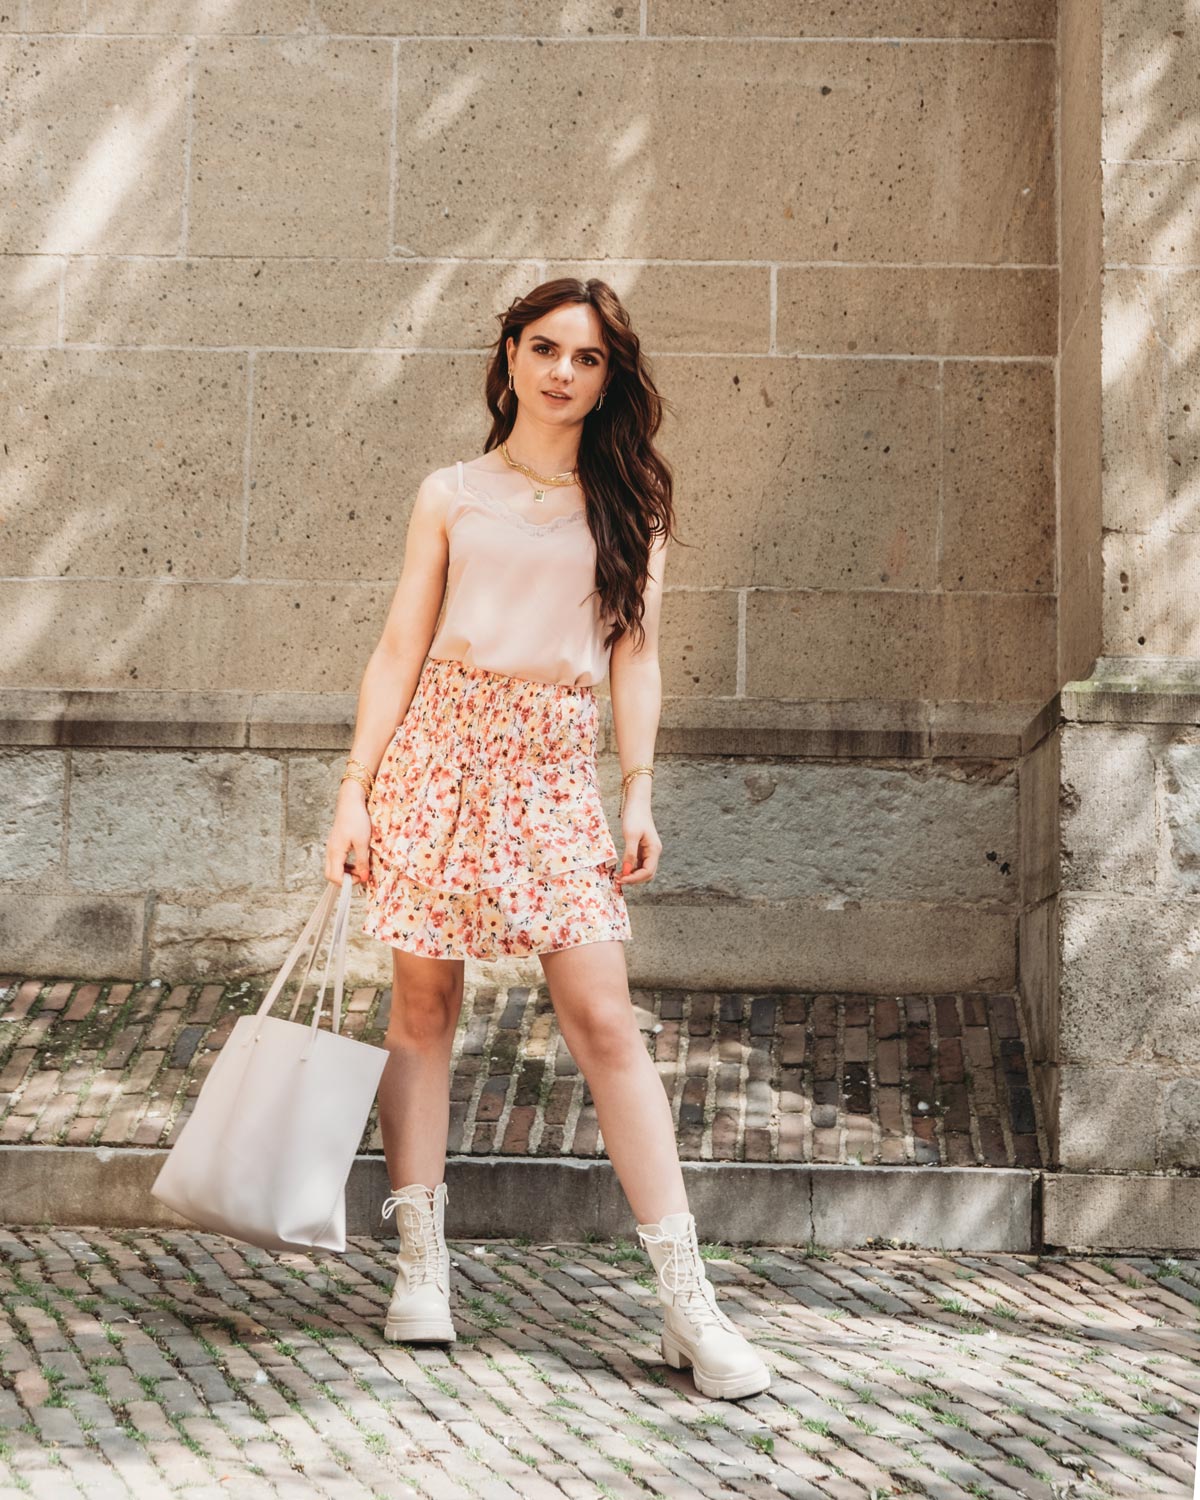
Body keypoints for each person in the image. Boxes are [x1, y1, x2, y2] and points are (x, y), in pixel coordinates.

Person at [324, 278, 770, 1401]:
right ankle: (420, 1265)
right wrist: (354, 789)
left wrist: (639, 788)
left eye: (587, 358)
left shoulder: (629, 506)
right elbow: (395, 649)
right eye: (545, 348)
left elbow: (637, 657)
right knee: (422, 1009)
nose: (563, 371)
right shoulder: (451, 493)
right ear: (511, 356)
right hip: (440, 751)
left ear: (609, 378)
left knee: (604, 1017)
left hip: (552, 769)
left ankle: (685, 1300)